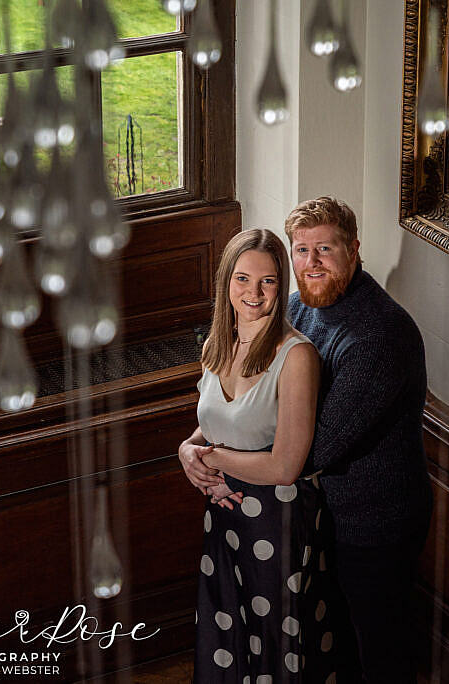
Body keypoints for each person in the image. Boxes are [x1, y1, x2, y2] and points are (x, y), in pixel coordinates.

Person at [178, 229, 344, 683]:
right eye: (243, 279)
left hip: (277, 521)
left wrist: (212, 459)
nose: (253, 293)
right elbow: (217, 424)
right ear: (225, 283)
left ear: (282, 284)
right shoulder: (218, 343)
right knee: (226, 635)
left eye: (268, 281)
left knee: (278, 645)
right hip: (224, 517)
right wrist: (187, 449)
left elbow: (286, 465)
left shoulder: (296, 357)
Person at [284, 197, 433, 684]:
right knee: (337, 648)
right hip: (325, 513)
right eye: (301, 250)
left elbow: (318, 448)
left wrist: (221, 457)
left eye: (325, 248)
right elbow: (251, 381)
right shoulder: (298, 308)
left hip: (377, 523)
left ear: (354, 250)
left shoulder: (379, 336)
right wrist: (198, 440)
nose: (312, 263)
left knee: (382, 653)